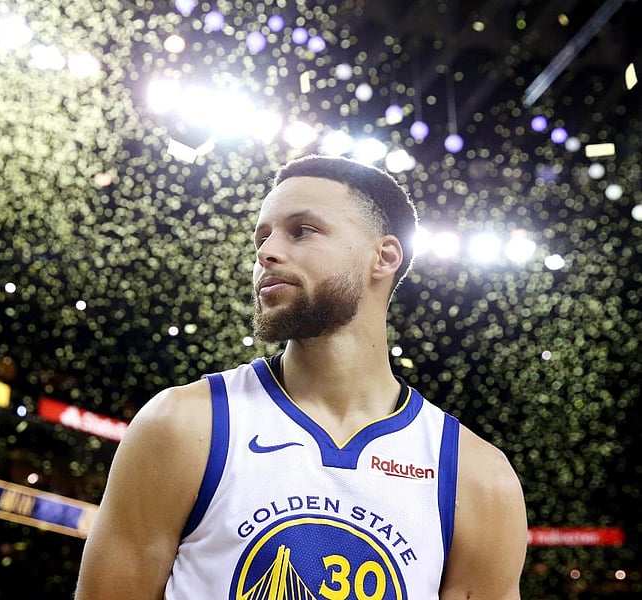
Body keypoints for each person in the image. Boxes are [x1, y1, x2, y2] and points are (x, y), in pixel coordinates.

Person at [75, 155, 527, 599]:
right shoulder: (184, 423)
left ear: (384, 256)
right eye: (262, 238)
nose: (266, 253)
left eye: (302, 230)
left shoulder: (478, 478)